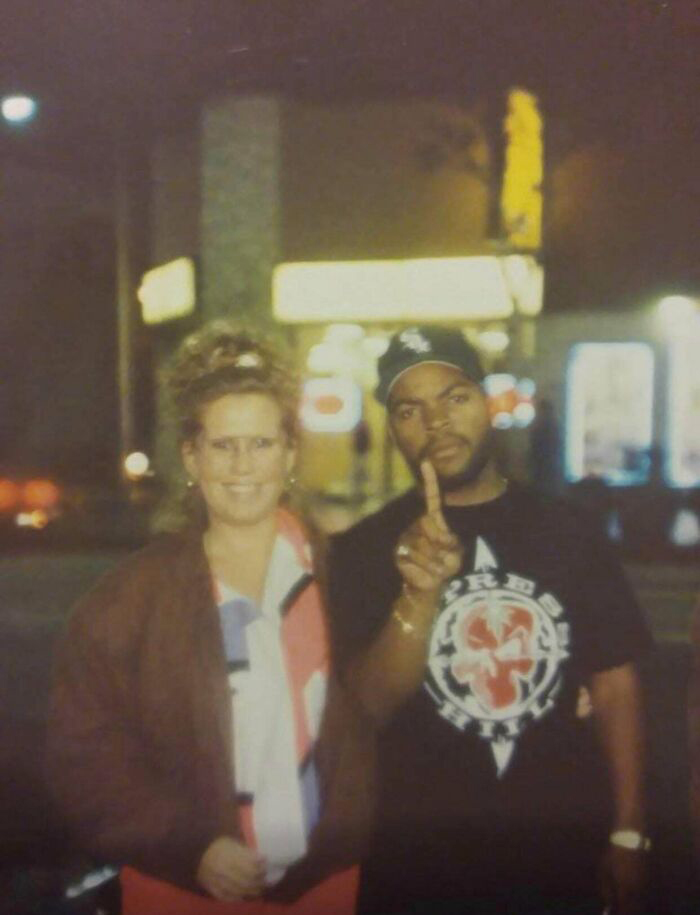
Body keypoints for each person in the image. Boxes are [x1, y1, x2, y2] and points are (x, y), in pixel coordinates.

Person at [47, 322, 372, 915]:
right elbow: (84, 755)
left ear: (290, 452)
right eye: (223, 445)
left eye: (261, 443)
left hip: (323, 892)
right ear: (191, 457)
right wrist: (189, 847)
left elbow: (383, 719)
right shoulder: (127, 602)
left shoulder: (343, 580)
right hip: (180, 895)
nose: (242, 465)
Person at [327, 325, 652, 915]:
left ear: (488, 403)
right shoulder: (362, 549)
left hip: (557, 854)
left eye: (454, 397)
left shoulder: (569, 532)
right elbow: (366, 706)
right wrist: (418, 594)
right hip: (416, 864)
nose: (436, 422)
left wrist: (628, 831)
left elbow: (615, 683)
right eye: (409, 410)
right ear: (393, 429)